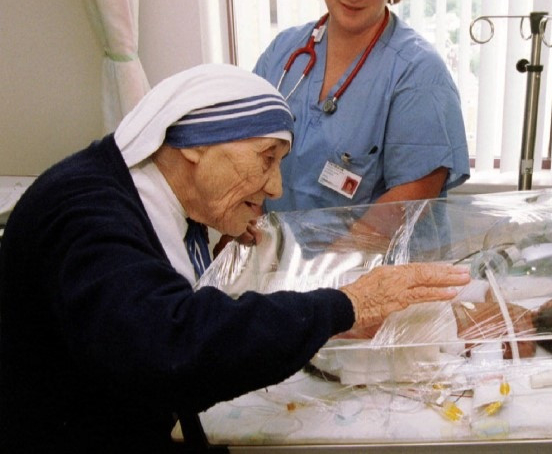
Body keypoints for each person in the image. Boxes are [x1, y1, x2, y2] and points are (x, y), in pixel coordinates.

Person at [0, 64, 470, 453]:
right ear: (197, 144)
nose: (277, 187)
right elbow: (171, 347)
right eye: (266, 158)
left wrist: (210, 224)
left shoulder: (132, 195)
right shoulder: (84, 213)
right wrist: (348, 305)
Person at [252, 0, 470, 218]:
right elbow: (245, 151)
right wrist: (248, 233)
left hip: (369, 250)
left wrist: (324, 255)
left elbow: (408, 203)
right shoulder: (284, 52)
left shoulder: (419, 73)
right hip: (274, 246)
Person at [308, 295, 552, 385]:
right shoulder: (524, 341)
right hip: (444, 327)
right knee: (383, 335)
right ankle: (326, 345)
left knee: (381, 325)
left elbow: (486, 357)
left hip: (444, 321)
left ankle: (323, 338)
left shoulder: (519, 317)